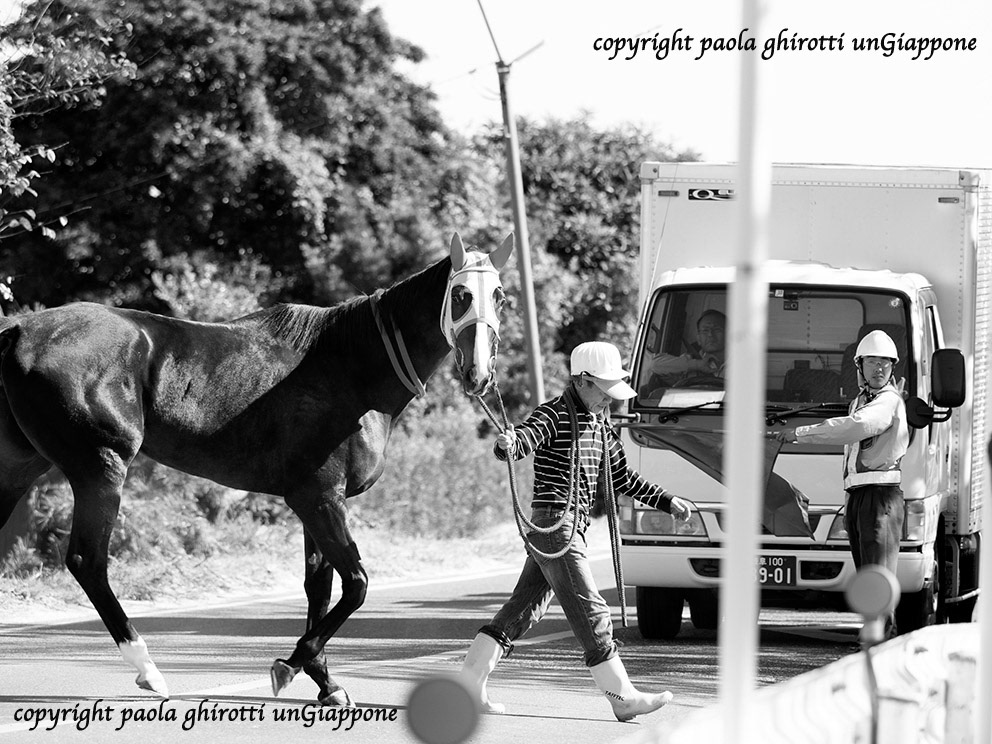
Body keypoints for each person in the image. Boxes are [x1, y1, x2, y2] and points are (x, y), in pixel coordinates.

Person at [460, 341, 692, 722]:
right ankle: (622, 696)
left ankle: (469, 683)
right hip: (554, 524)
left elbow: (622, 477)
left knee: (523, 610)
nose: (610, 401)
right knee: (590, 607)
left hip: (569, 528)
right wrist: (508, 444)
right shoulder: (553, 414)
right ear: (583, 380)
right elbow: (523, 440)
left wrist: (667, 501)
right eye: (605, 392)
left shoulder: (601, 425)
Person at [774, 330, 908, 635]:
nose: (878, 369)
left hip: (881, 497)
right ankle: (875, 637)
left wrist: (801, 433)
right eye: (872, 362)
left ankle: (881, 641)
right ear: (859, 366)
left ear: (892, 368)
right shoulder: (860, 401)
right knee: (867, 573)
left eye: (885, 364)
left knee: (877, 575)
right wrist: (849, 502)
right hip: (862, 495)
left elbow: (856, 428)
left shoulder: (886, 402)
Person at [649, 309, 726, 386]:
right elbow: (655, 365)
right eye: (705, 330)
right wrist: (697, 365)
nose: (710, 334)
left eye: (717, 330)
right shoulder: (690, 361)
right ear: (699, 339)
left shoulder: (737, 363)